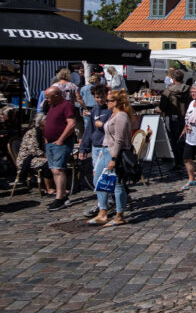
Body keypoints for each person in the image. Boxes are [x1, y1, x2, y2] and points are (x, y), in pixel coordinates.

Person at [87, 90, 133, 226]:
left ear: (116, 102)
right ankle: (103, 211)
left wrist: (114, 158)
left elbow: (119, 139)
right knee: (98, 180)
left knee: (117, 184)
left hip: (116, 153)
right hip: (106, 151)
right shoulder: (113, 115)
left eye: (108, 101)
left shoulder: (121, 116)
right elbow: (108, 136)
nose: (106, 103)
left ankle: (119, 215)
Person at [78, 84, 112, 217]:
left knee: (103, 177)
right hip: (96, 147)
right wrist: (84, 148)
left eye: (102, 96)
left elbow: (115, 129)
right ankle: (105, 201)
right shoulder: (95, 111)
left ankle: (105, 203)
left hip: (106, 147)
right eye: (97, 97)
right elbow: (89, 131)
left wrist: (103, 126)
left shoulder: (110, 110)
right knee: (97, 176)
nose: (100, 100)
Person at [43, 86, 77, 211]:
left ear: (57, 96)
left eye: (48, 97)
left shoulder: (66, 105)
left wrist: (61, 139)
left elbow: (71, 124)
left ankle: (60, 198)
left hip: (61, 143)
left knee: (58, 169)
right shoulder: (52, 106)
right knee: (53, 170)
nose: (47, 100)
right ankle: (60, 196)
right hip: (51, 143)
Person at [14, 113, 54, 196]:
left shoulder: (44, 133)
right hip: (27, 159)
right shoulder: (31, 133)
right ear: (41, 123)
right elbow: (34, 150)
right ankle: (48, 188)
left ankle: (56, 184)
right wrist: (47, 155)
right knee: (50, 162)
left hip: (37, 156)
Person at [159, 69, 190, 171]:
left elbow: (162, 107)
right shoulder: (188, 90)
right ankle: (185, 160)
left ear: (173, 79)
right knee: (185, 140)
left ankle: (178, 162)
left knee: (174, 140)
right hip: (186, 117)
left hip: (172, 118)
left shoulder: (168, 91)